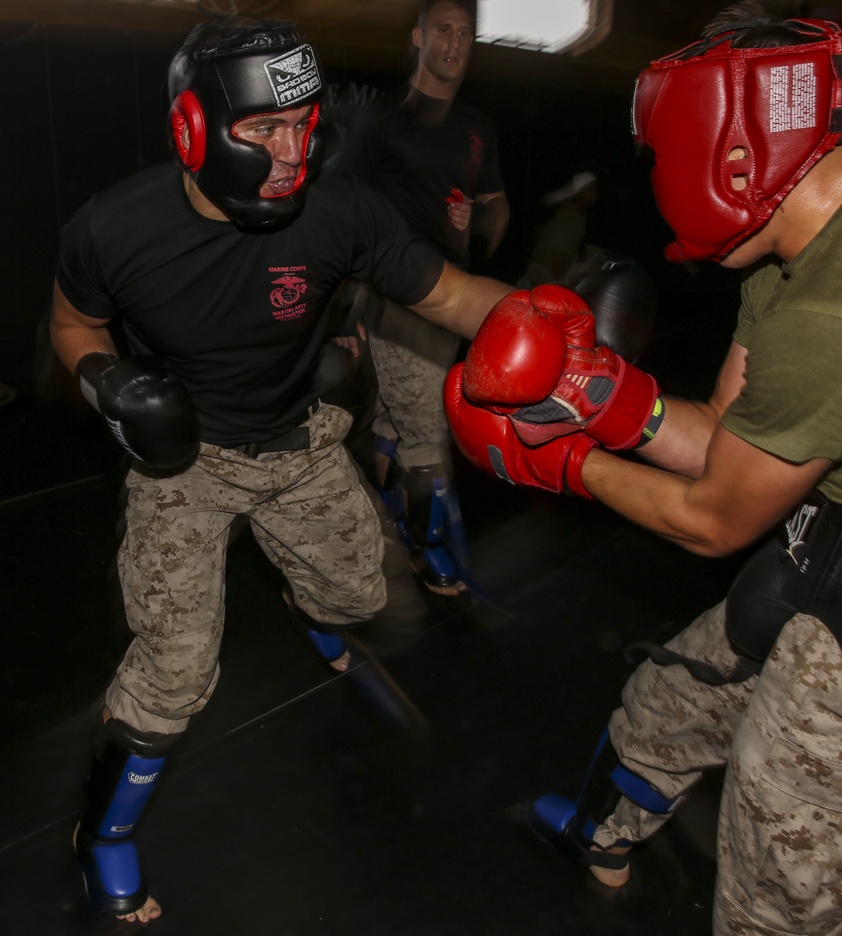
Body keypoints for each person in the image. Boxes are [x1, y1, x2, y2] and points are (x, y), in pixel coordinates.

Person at [443, 3, 842, 934]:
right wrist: (598, 396)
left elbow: (712, 519)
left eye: (670, 152)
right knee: (671, 698)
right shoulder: (801, 248)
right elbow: (723, 438)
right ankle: (604, 835)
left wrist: (565, 463)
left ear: (738, 155)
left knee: (781, 890)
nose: (661, 177)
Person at [49, 18, 511, 924]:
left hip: (300, 446)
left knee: (359, 594)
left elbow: (455, 295)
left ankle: (311, 605)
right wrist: (107, 380)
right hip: (183, 464)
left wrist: (556, 331)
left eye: (303, 124)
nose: (293, 152)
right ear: (193, 129)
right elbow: (73, 323)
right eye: (264, 129)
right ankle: (101, 834)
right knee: (176, 669)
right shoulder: (114, 228)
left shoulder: (339, 209)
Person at [333, 0, 509, 598]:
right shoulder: (384, 119)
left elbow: (499, 208)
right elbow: (341, 210)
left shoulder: (478, 127)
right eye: (443, 30)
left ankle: (390, 521)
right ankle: (434, 556)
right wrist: (343, 306)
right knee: (430, 433)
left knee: (396, 419)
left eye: (465, 33)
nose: (454, 43)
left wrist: (477, 220)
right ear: (418, 37)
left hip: (453, 298)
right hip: (398, 300)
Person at [522, 171, 599, 287]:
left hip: (552, 262)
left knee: (592, 255)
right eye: (589, 189)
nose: (594, 192)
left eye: (595, 187)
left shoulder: (579, 210)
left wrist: (581, 249)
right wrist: (563, 287)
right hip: (545, 271)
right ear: (578, 193)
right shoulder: (569, 219)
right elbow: (558, 259)